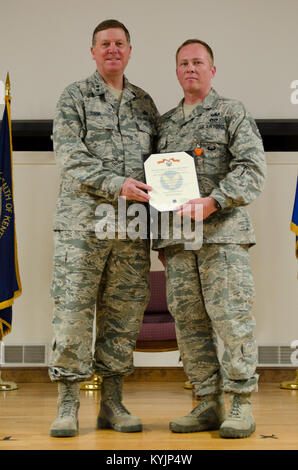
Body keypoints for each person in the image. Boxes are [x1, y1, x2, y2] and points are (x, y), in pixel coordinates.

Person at [49, 19, 159, 437]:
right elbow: (70, 157)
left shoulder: (144, 103)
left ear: (129, 51)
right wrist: (117, 185)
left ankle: (112, 403)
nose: (112, 49)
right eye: (104, 44)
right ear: (93, 52)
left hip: (131, 230)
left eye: (119, 43)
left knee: (124, 316)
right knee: (73, 312)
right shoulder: (74, 96)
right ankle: (67, 404)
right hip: (83, 226)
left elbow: (158, 167)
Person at [154, 39, 266, 439]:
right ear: (177, 71)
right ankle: (207, 401)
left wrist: (213, 202)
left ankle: (239, 404)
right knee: (189, 324)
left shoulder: (231, 112)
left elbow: (253, 169)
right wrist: (161, 242)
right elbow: (156, 189)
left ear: (212, 70)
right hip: (179, 244)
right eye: (183, 63)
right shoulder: (164, 124)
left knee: (233, 320)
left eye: (198, 62)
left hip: (223, 238)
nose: (190, 69)